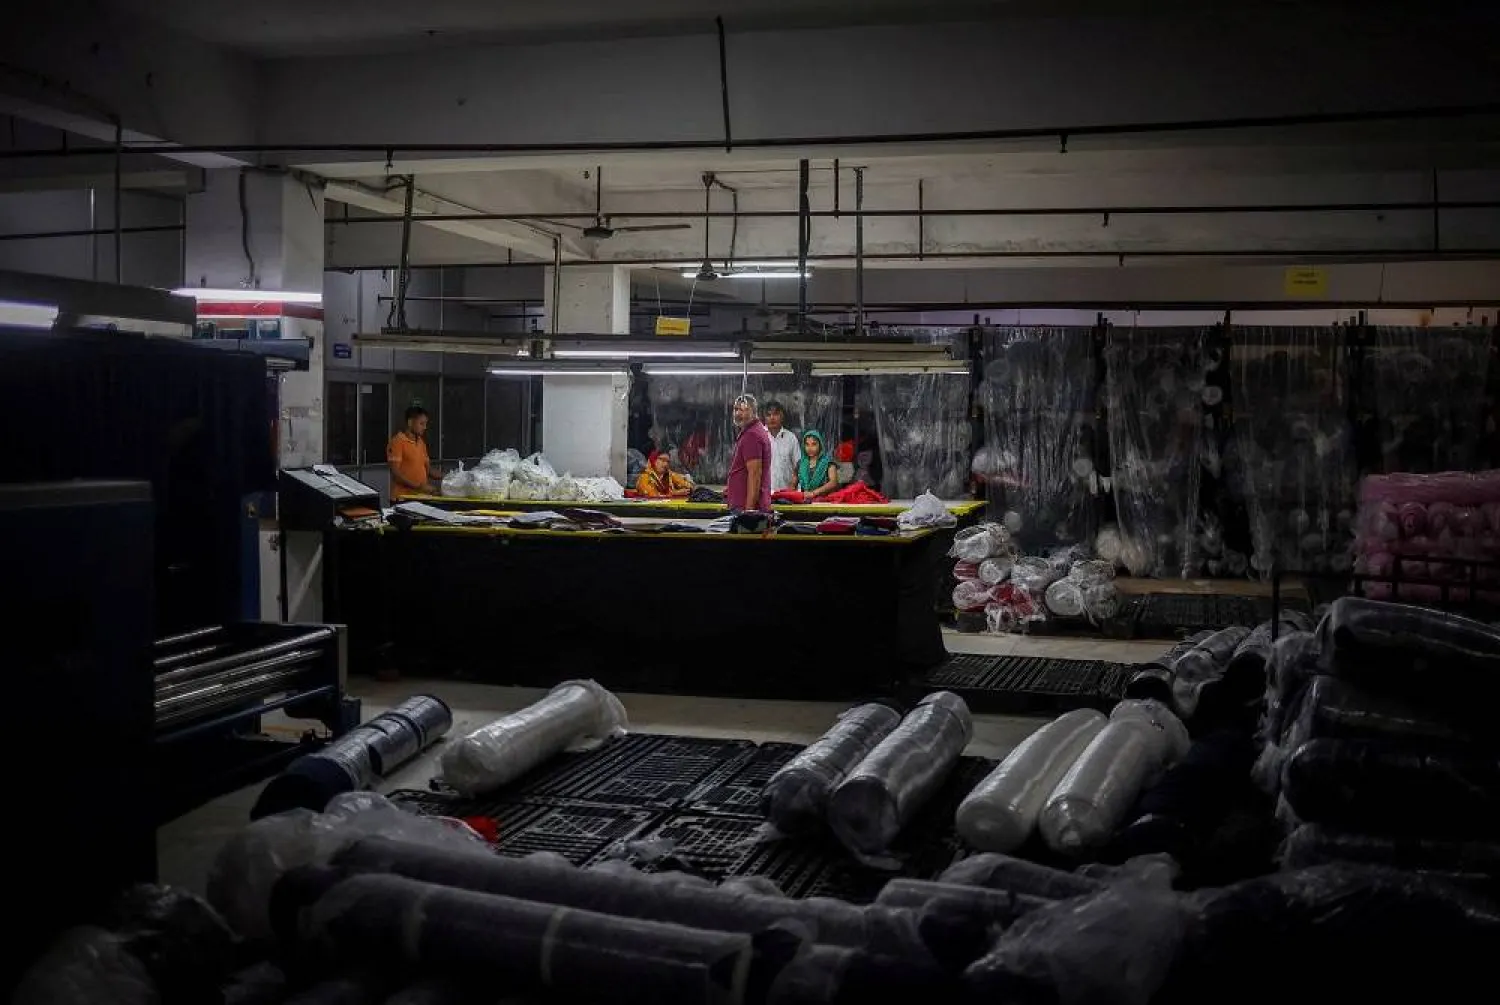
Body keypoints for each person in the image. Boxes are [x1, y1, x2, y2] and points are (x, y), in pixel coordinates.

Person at [726, 393, 772, 512]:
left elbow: (755, 474)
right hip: (743, 504)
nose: (737, 414)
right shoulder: (753, 431)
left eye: (742, 410)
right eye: (736, 409)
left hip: (745, 508)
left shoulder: (752, 435)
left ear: (753, 411)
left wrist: (749, 511)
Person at [387, 405, 441, 501]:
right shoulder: (397, 442)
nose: (425, 427)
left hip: (420, 497)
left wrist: (450, 477)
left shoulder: (421, 443)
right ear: (410, 422)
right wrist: (419, 487)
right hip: (402, 499)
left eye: (426, 424)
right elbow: (396, 474)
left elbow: (428, 471)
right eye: (421, 424)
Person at [764, 401, 801, 491]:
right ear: (764, 418)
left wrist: (794, 486)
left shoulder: (791, 438)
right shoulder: (758, 437)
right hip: (764, 493)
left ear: (782, 416)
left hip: (787, 493)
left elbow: (798, 466)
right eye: (768, 415)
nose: (772, 418)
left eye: (775, 414)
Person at [796, 429, 840, 500]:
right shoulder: (800, 464)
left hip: (824, 502)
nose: (810, 448)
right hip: (805, 502)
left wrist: (814, 493)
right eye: (807, 444)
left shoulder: (828, 463)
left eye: (814, 444)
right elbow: (793, 484)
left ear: (820, 445)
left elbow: (833, 483)